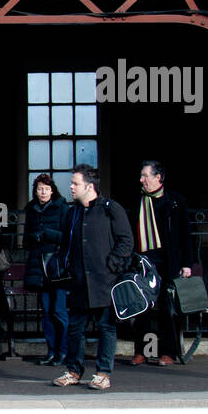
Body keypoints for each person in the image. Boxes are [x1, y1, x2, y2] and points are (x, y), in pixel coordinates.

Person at [52, 164, 134, 392]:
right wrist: (66, 266)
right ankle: (74, 371)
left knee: (106, 328)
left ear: (89, 186)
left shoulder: (110, 208)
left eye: (75, 183)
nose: (71, 186)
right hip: (78, 281)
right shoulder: (73, 212)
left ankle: (102, 373)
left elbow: (126, 241)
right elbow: (66, 245)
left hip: (104, 281)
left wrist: (112, 265)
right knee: (76, 328)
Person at [130, 160, 195, 366]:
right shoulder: (138, 201)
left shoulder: (175, 201)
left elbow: (185, 234)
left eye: (145, 176)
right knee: (143, 308)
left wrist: (187, 263)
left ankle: (167, 352)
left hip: (168, 261)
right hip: (145, 262)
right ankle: (144, 351)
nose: (142, 180)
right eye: (141, 176)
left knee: (168, 308)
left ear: (158, 177)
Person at [22, 173, 69, 366]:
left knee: (59, 311)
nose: (42, 192)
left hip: (56, 265)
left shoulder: (62, 207)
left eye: (46, 189)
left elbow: (68, 237)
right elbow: (25, 240)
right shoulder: (32, 210)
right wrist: (34, 238)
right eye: (39, 188)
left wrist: (47, 234)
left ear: (52, 190)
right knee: (47, 312)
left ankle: (64, 351)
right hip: (39, 265)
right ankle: (51, 351)